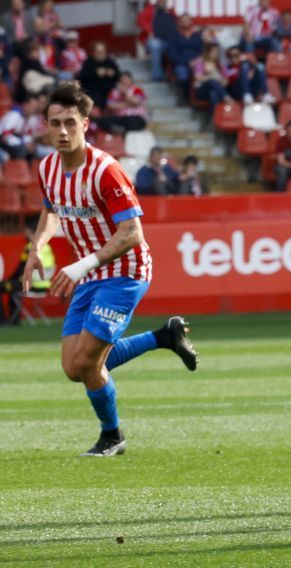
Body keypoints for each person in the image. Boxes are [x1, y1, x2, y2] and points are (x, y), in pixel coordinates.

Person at [25, 82, 198, 457]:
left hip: (125, 271)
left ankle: (112, 436)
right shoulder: (47, 168)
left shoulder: (105, 171)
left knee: (87, 361)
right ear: (46, 126)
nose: (63, 131)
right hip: (89, 274)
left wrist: (80, 265)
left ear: (86, 124)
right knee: (73, 367)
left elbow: (133, 233)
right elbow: (50, 210)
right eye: (55, 123)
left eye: (70, 123)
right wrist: (38, 246)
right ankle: (164, 337)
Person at [0, 223, 54, 326]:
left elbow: (21, 268)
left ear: (33, 234)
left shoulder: (30, 248)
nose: (25, 235)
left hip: (31, 285)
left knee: (4, 286)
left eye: (27, 232)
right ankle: (14, 319)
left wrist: (10, 280)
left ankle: (3, 320)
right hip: (45, 286)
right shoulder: (47, 247)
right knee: (13, 289)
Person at [138, 0, 177, 82]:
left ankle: (172, 75)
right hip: (154, 40)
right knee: (156, 45)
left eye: (164, 0)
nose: (162, 2)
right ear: (157, 0)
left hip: (168, 40)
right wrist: (149, 31)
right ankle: (157, 76)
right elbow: (140, 19)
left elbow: (177, 24)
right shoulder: (151, 9)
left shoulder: (170, 11)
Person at [79, 42, 120, 110]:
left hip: (109, 93)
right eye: (98, 52)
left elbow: (118, 76)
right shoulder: (88, 62)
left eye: (103, 52)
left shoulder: (110, 62)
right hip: (93, 92)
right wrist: (95, 73)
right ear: (93, 52)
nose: (101, 54)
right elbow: (82, 78)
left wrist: (113, 74)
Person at [166, 14, 203, 87]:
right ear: (180, 22)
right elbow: (172, 54)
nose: (186, 22)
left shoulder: (196, 35)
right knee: (183, 76)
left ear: (191, 22)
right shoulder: (174, 35)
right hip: (181, 63)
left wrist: (197, 60)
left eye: (187, 20)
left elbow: (201, 50)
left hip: (196, 62)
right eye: (183, 20)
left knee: (203, 76)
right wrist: (187, 62)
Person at [191, 43, 229, 108]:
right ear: (208, 52)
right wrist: (211, 77)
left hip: (217, 89)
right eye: (214, 52)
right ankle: (226, 97)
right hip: (202, 89)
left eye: (217, 52)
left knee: (212, 94)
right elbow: (198, 77)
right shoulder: (200, 62)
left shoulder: (220, 64)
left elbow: (226, 81)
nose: (216, 54)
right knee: (211, 81)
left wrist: (222, 82)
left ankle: (214, 114)